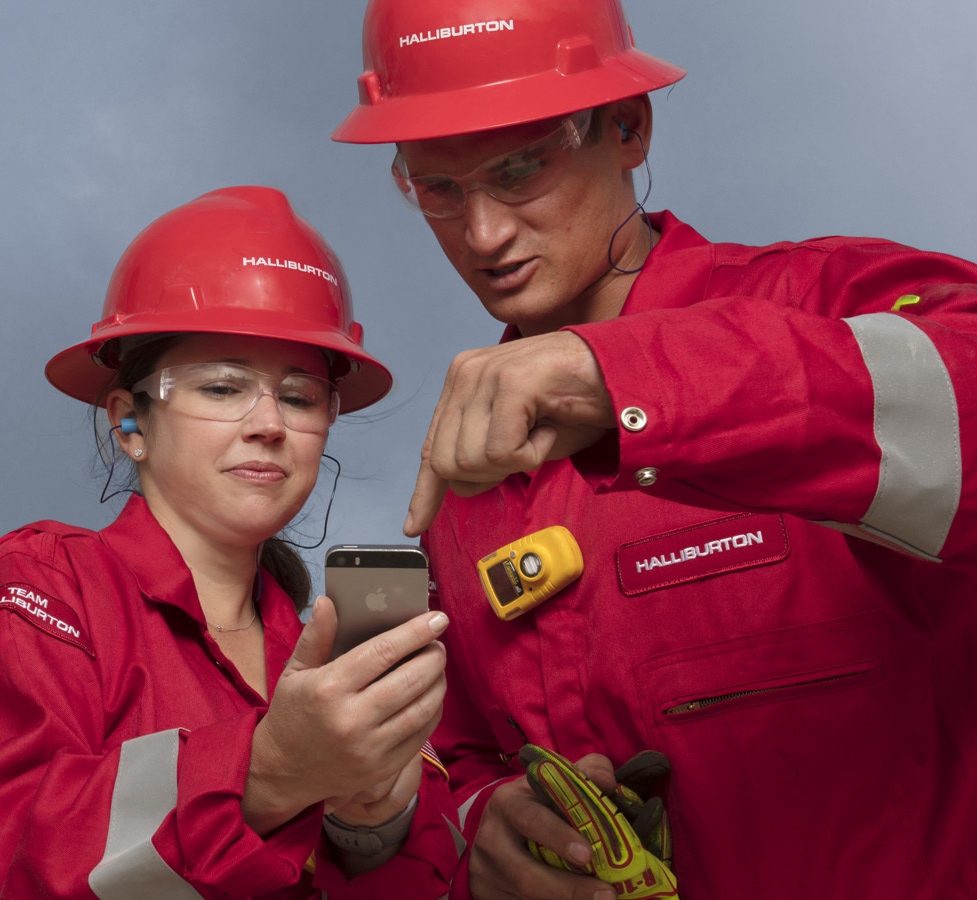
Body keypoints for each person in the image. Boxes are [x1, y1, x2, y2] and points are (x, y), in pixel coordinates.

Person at [329, 1, 977, 898]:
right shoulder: (468, 475)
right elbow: (460, 749)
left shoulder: (828, 302)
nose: (482, 235)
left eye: (519, 170)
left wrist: (630, 378)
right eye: (438, 189)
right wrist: (484, 821)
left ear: (628, 128)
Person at [0, 186, 464, 899]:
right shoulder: (40, 587)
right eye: (223, 388)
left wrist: (372, 825)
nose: (268, 423)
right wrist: (270, 770)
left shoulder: (325, 668)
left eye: (301, 396)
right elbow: (8, 861)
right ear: (131, 424)